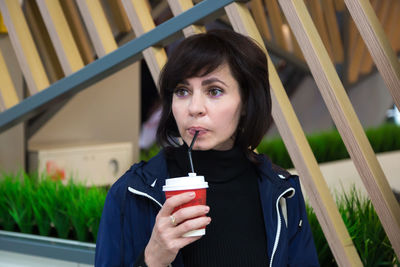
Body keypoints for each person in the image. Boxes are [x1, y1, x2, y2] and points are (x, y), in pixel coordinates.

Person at [95, 29, 319, 267]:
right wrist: (152, 259)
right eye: (182, 91)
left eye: (214, 91)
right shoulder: (131, 193)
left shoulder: (281, 192)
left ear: (246, 102)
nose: (194, 108)